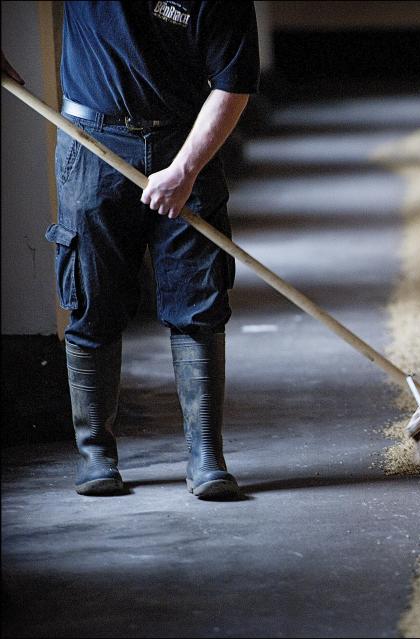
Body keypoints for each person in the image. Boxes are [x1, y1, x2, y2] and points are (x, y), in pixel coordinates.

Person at [2, 1, 259, 499]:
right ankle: (95, 454)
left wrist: (184, 171)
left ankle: (206, 456)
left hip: (187, 143)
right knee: (92, 300)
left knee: (199, 301)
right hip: (92, 143)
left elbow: (233, 84)